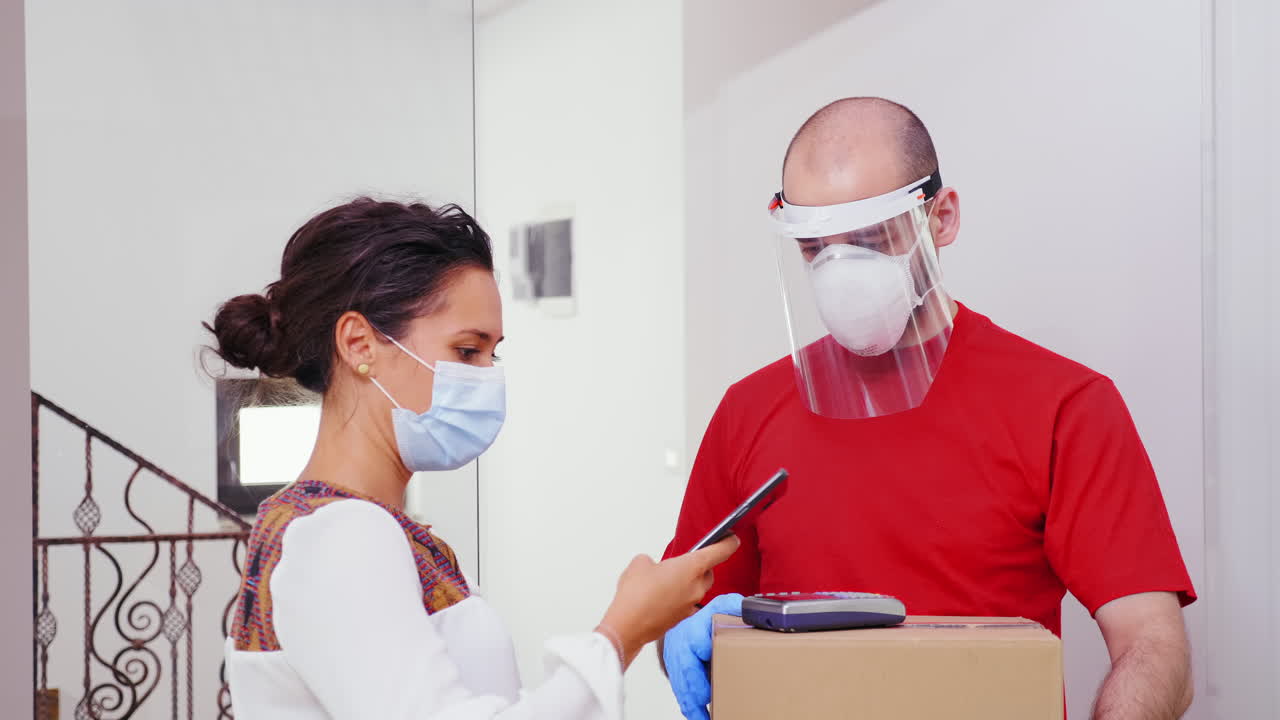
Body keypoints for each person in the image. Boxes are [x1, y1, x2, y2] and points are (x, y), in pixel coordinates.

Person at [660, 98, 1196, 720]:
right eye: (815, 248)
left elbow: (1153, 646)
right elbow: (684, 620)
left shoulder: (1062, 406)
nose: (840, 271)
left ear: (941, 218)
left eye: (868, 238)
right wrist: (681, 636)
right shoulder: (748, 412)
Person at [211, 197, 739, 720]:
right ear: (359, 343)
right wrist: (623, 631)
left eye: (494, 354)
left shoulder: (347, 527)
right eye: (467, 351)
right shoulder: (340, 536)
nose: (486, 377)